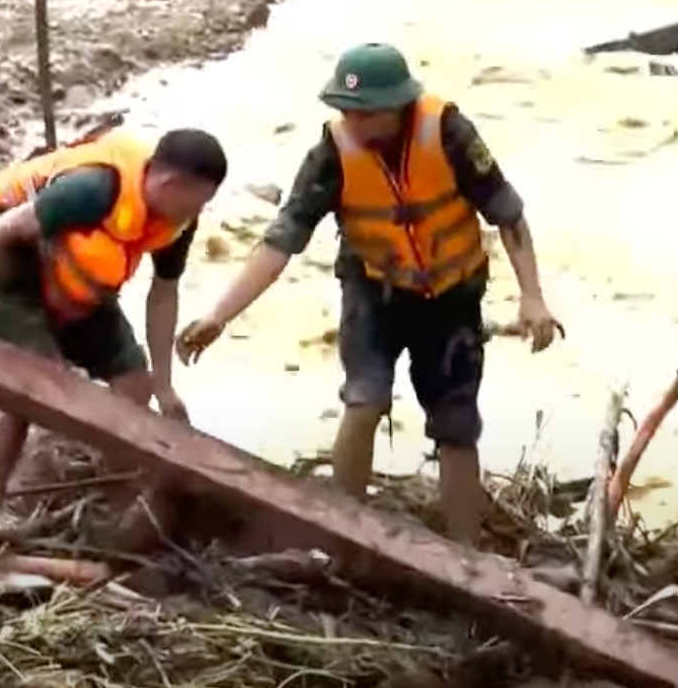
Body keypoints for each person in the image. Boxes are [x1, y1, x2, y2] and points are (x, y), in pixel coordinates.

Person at [176, 43, 562, 548]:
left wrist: (532, 296)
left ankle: (466, 554)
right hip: (373, 295)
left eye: (364, 113)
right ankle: (344, 536)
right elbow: (282, 240)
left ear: (397, 108)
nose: (352, 121)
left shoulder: (448, 133)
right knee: (365, 400)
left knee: (456, 426)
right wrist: (219, 316)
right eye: (345, 111)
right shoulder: (332, 153)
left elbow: (508, 215)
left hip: (451, 298)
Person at [0, 128, 228, 534]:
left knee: (134, 386)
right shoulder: (93, 189)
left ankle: (114, 506)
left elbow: (163, 294)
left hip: (85, 292)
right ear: (170, 183)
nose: (199, 210)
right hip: (19, 284)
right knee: (34, 390)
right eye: (198, 200)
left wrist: (164, 385)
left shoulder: (177, 221)